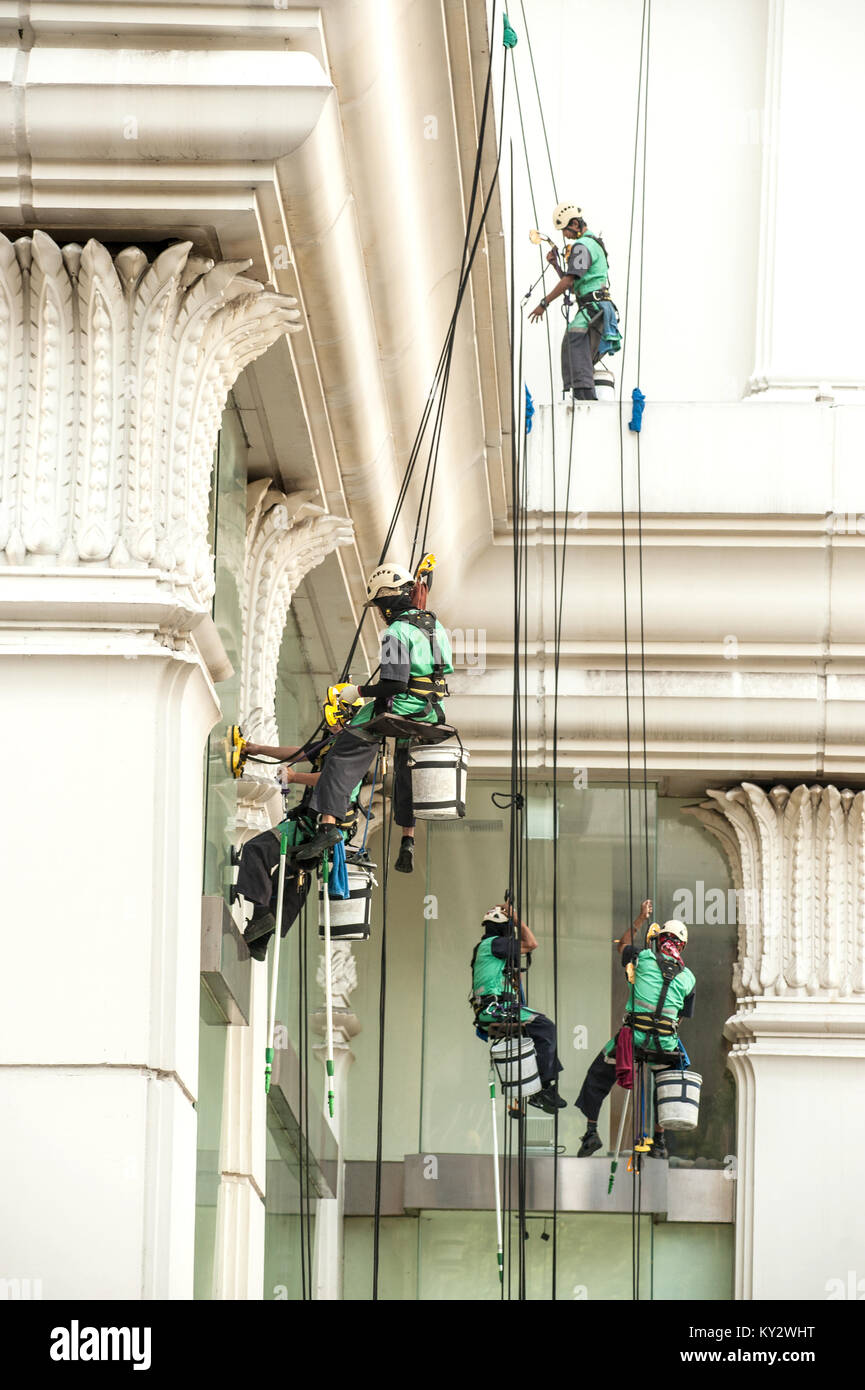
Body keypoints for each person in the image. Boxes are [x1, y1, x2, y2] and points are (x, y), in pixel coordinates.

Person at [295, 563, 454, 872]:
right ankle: (407, 838)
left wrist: (357, 691)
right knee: (405, 767)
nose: (380, 613)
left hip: (402, 706)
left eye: (380, 605)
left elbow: (393, 685)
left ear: (388, 597)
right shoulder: (435, 625)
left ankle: (329, 825)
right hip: (432, 710)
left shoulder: (395, 633)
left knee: (345, 750)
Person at [574, 900, 696, 1158]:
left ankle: (591, 1132)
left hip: (633, 1039)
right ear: (682, 945)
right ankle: (660, 1142)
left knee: (597, 1075)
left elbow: (621, 945)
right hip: (665, 1043)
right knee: (669, 1081)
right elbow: (681, 1017)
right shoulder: (688, 978)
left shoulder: (641, 957)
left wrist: (641, 918)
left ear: (660, 938)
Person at [234, 731, 365, 961]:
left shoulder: (353, 751)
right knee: (288, 879)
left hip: (313, 830)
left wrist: (294, 778)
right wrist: (256, 749)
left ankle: (262, 917)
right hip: (311, 829)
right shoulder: (332, 745)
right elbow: (297, 753)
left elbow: (332, 780)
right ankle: (260, 940)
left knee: (257, 850)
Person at [470, 904, 565, 1116]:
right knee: (546, 1026)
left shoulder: (488, 948)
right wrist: (516, 918)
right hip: (495, 1009)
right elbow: (532, 943)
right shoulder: (494, 944)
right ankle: (542, 1088)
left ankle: (546, 1086)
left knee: (540, 1031)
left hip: (494, 1008)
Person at [528, 202, 620, 400]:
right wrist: (555, 266)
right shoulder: (594, 244)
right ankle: (583, 393)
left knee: (573, 341)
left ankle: (584, 396)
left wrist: (544, 303)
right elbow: (572, 284)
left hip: (594, 308)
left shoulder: (583, 246)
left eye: (567, 230)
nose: (565, 236)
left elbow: (569, 280)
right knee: (579, 351)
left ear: (576, 224)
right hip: (598, 308)